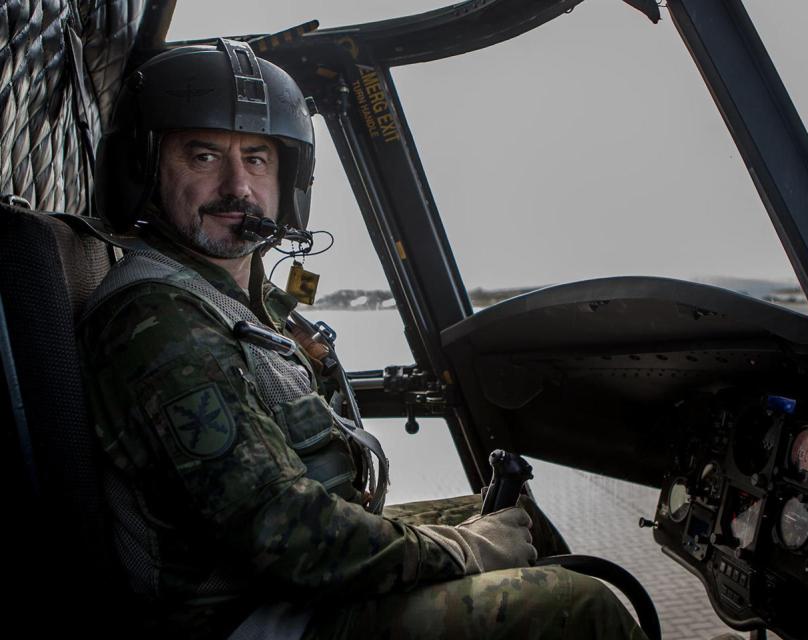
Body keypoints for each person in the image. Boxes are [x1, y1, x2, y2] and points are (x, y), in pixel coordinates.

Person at [79, 39, 647, 640]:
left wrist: (468, 539)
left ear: (287, 176)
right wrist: (465, 552)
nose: (238, 186)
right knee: (576, 607)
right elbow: (289, 536)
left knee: (516, 523)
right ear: (145, 168)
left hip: (296, 585)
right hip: (253, 617)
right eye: (202, 157)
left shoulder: (243, 304)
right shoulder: (158, 318)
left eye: (257, 158)